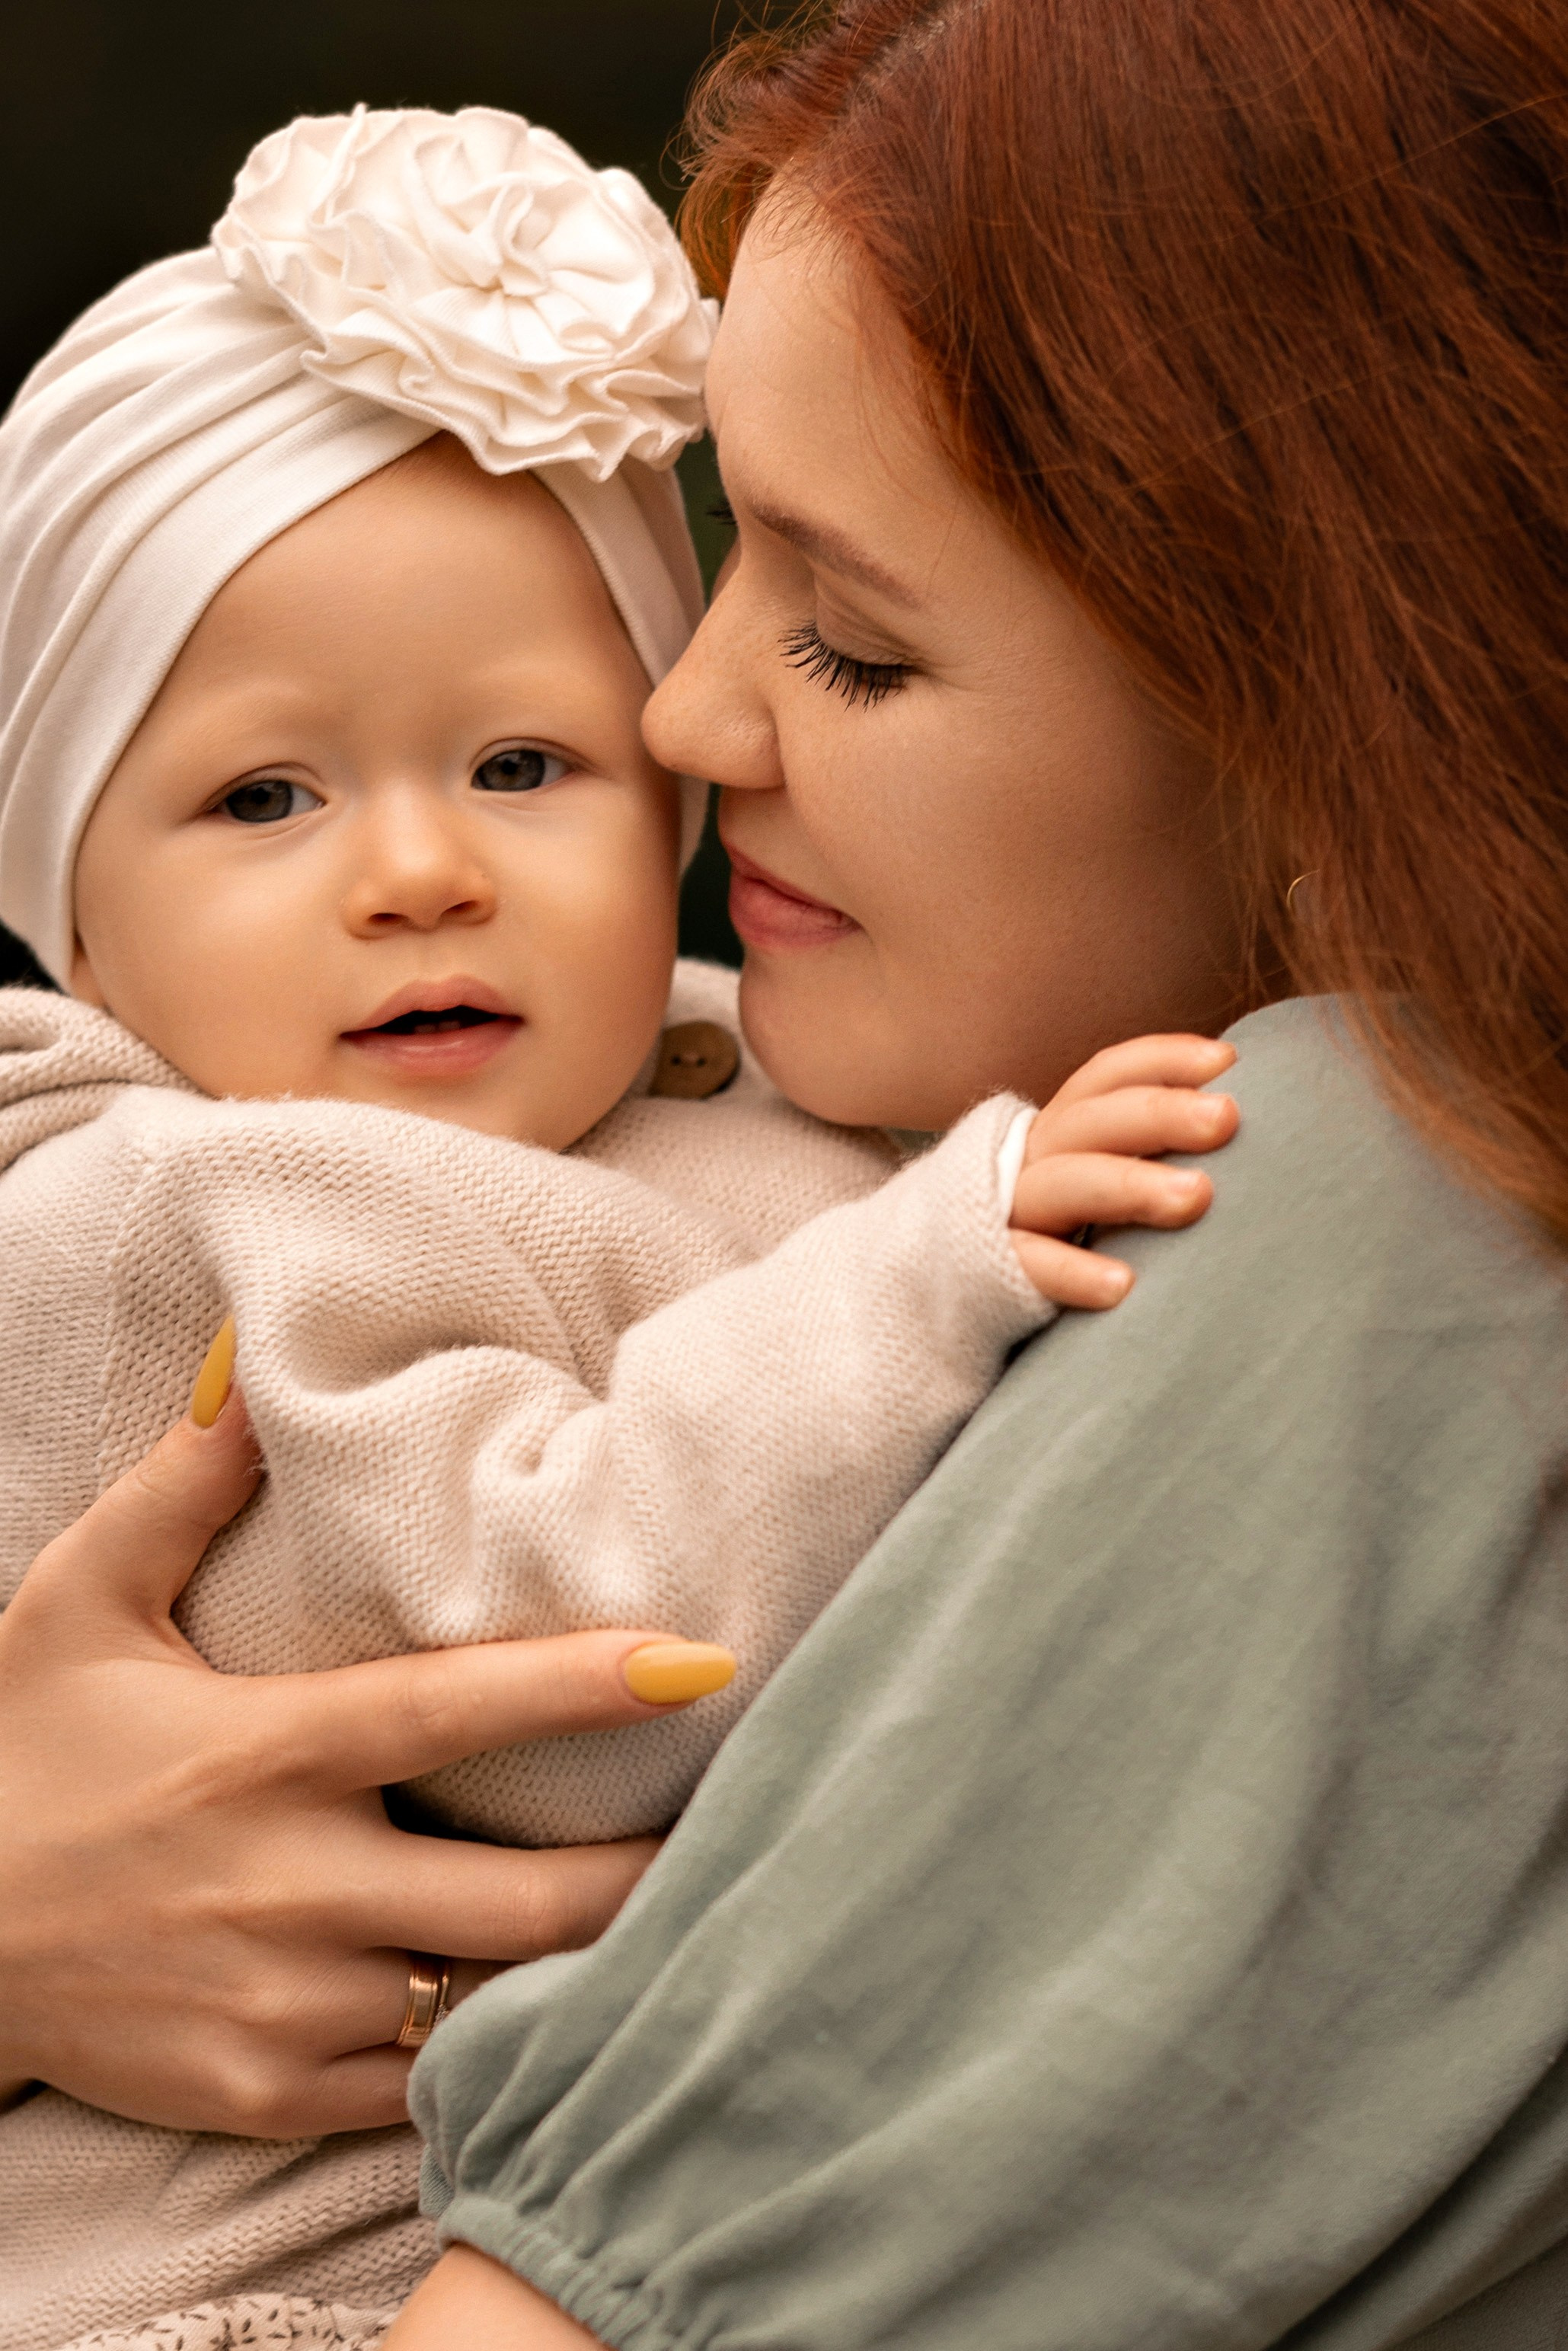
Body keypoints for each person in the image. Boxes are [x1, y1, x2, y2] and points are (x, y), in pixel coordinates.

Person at [369, 1, 1568, 2346]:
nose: (685, 720)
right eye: (730, 566)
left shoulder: (1391, 1199)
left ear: (1346, 704)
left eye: (850, 638)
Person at [0, 100, 1232, 2351]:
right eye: (263, 797)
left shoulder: (703, 1084)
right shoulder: (198, 1209)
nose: (416, 871)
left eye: (519, 764)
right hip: (234, 2283)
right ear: (72, 925)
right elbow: (565, 1678)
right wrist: (938, 1259)